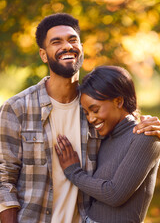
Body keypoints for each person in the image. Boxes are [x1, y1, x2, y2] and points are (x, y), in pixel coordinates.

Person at [0, 13, 160, 223]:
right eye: (56, 42)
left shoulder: (95, 107)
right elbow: (4, 179)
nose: (67, 46)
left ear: (82, 47)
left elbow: (126, 134)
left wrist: (152, 125)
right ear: (43, 54)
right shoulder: (18, 108)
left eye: (72, 39)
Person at [55, 65, 160, 223]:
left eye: (95, 110)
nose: (91, 119)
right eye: (87, 113)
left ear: (118, 101)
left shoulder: (145, 137)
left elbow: (114, 194)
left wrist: (73, 172)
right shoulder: (104, 137)